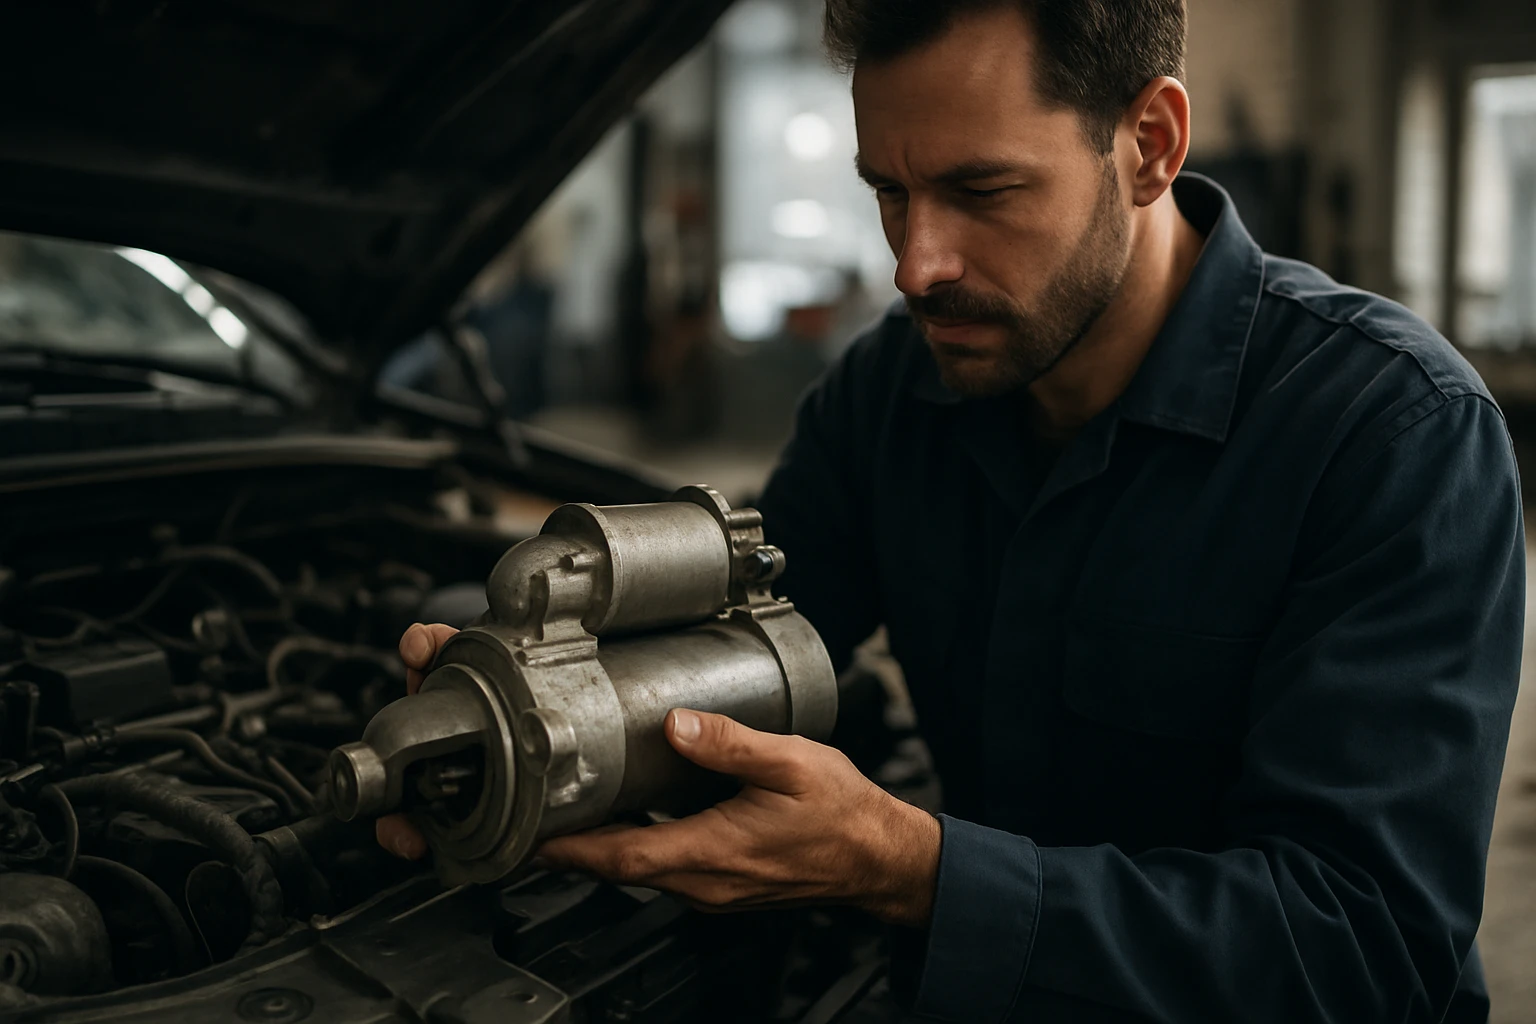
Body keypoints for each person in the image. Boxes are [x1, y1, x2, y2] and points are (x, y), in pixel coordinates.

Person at [377, 2, 1526, 1021]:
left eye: (982, 191)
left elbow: (1367, 950)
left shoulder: (1392, 433)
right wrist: (537, 714)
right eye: (890, 191)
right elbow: (750, 643)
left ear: (1149, 144)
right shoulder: (890, 392)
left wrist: (912, 869)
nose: (915, 264)